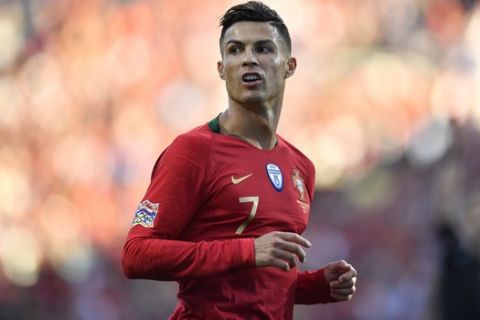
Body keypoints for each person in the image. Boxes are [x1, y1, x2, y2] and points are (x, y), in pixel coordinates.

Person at [122, 2, 357, 319]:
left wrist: (318, 287)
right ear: (222, 69)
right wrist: (248, 249)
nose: (248, 58)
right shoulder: (193, 151)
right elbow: (136, 254)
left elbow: (258, 285)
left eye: (263, 48)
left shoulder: (301, 167)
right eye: (235, 50)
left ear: (289, 65)